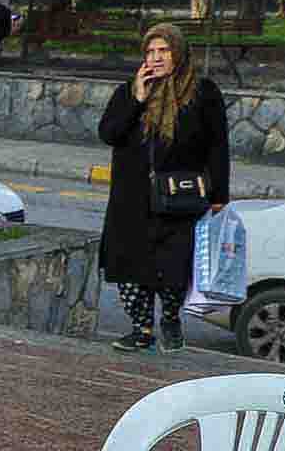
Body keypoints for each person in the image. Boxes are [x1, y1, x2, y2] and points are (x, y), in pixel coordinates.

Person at [97, 21, 230, 352]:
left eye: (164, 51)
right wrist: (138, 100)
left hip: (179, 199)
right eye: (150, 51)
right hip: (132, 202)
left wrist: (219, 195)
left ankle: (171, 319)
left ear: (178, 54)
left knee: (172, 271)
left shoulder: (203, 92)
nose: (156, 58)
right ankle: (141, 329)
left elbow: (218, 145)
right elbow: (109, 133)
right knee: (129, 270)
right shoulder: (129, 91)